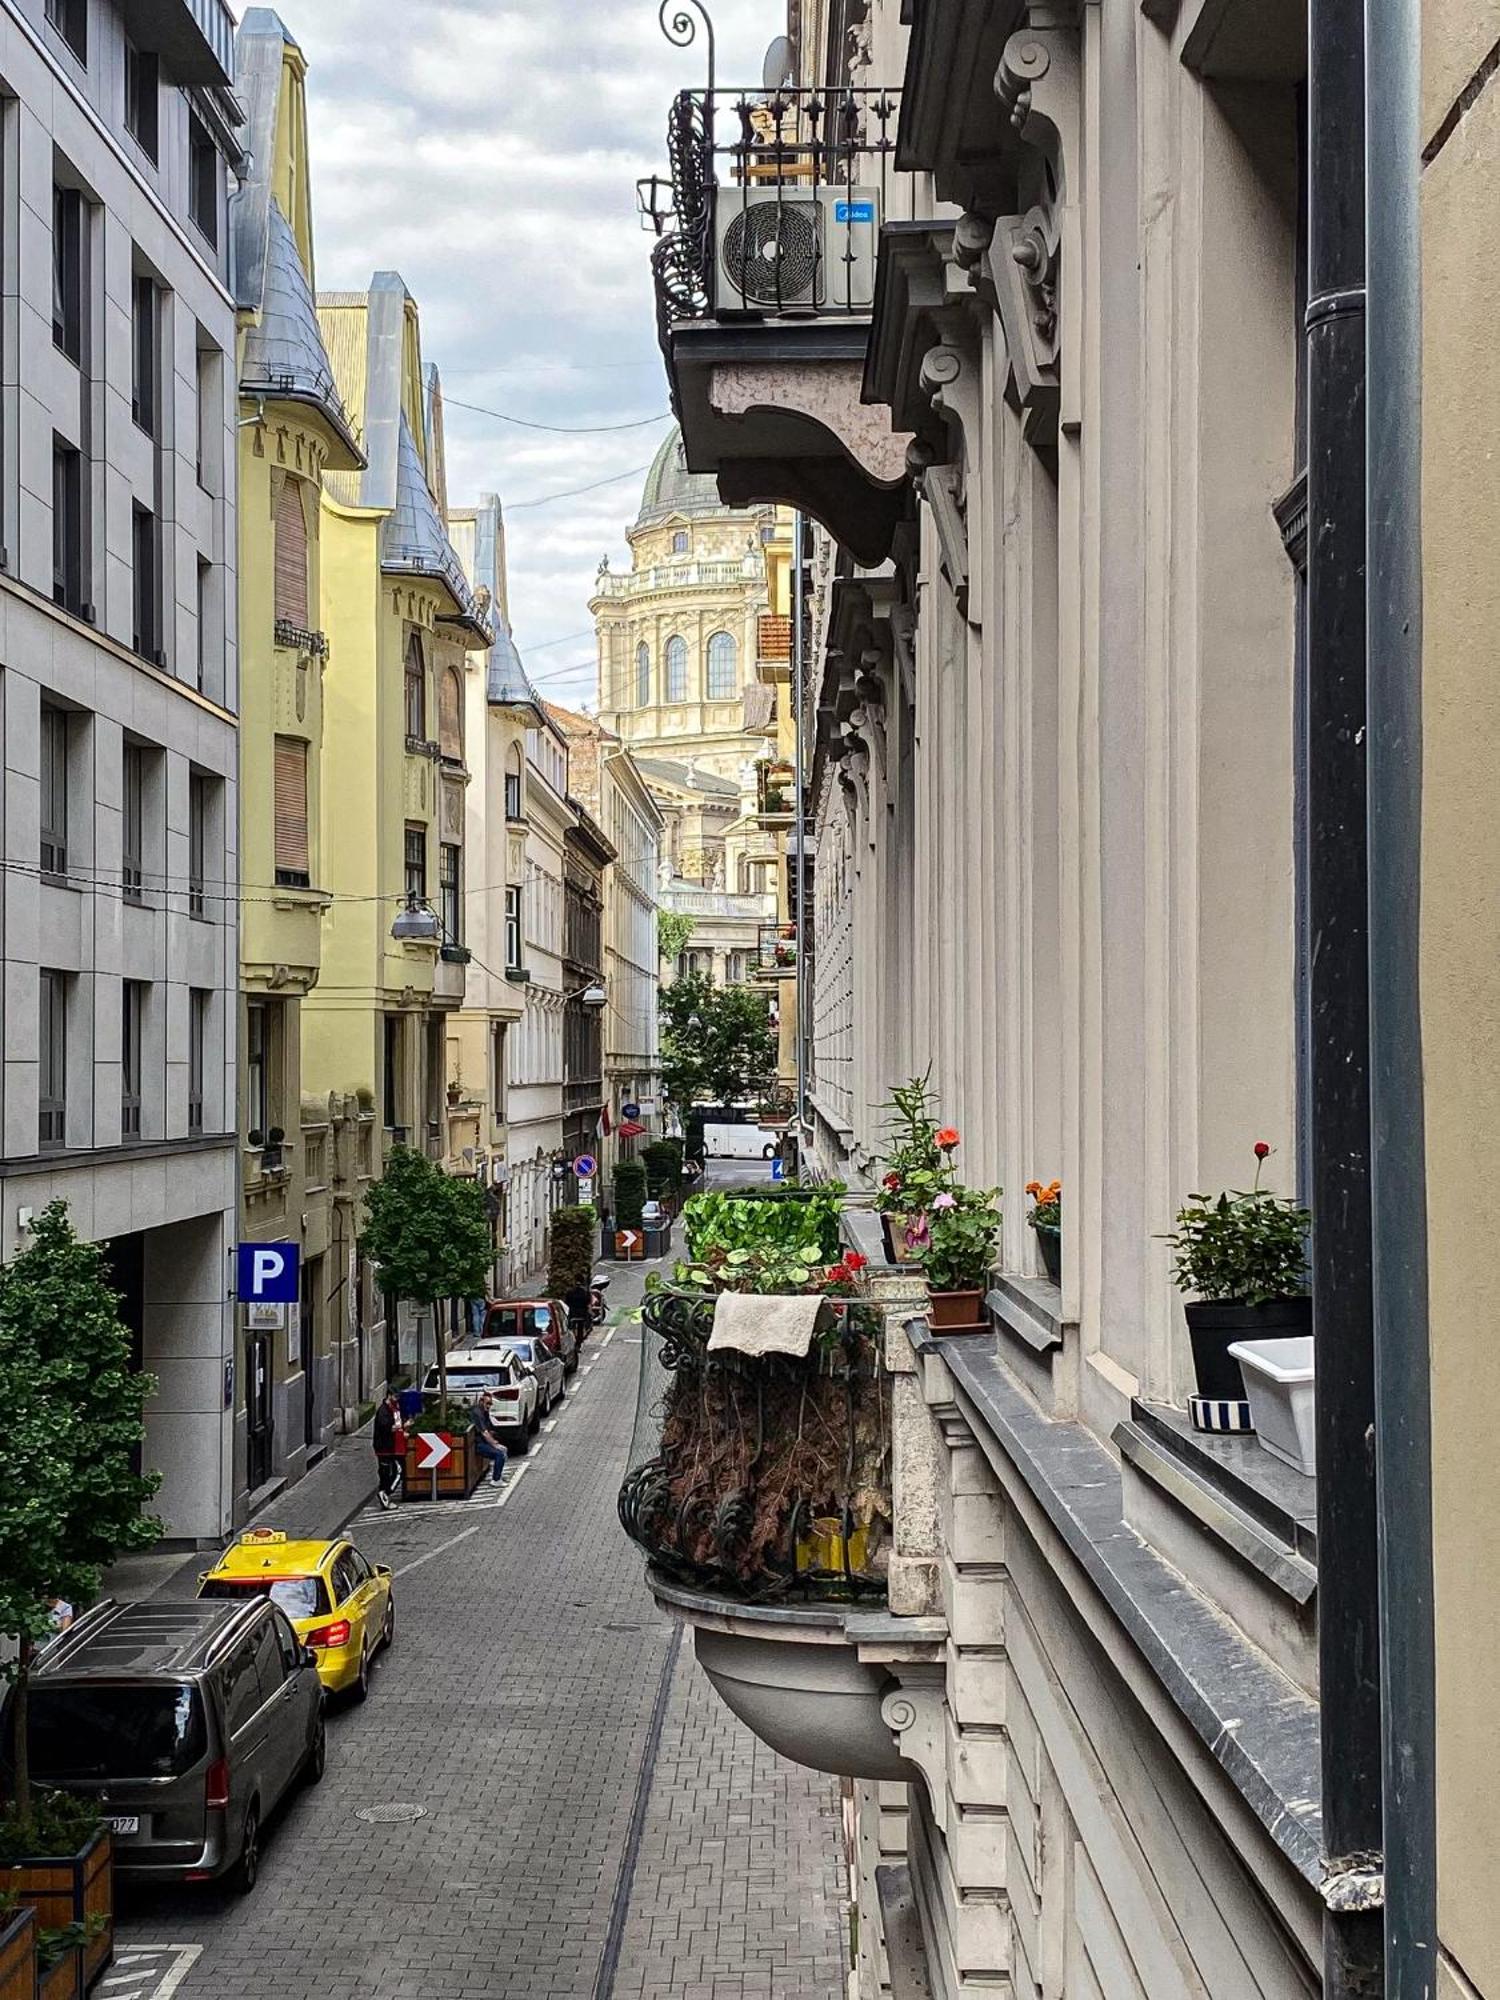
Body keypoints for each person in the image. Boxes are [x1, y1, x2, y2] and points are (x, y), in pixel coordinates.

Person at [373, 1393, 406, 1509]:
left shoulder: (395, 1408)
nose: (397, 1399)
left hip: (392, 1447)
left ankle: (385, 1494)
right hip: (385, 1448)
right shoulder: (383, 1411)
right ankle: (385, 1492)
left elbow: (397, 1423)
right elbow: (386, 1427)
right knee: (393, 1471)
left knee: (388, 1472)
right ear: (389, 1396)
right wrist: (398, 1428)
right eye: (395, 1396)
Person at [471, 1391, 508, 1485]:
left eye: (491, 1404)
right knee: (499, 1454)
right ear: (481, 1401)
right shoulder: (477, 1413)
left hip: (483, 1441)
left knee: (503, 1450)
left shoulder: (484, 1412)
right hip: (478, 1443)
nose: (489, 1406)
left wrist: (496, 1439)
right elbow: (485, 1433)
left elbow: (489, 1429)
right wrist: (494, 1444)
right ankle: (496, 1480)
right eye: (488, 1403)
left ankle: (498, 1474)